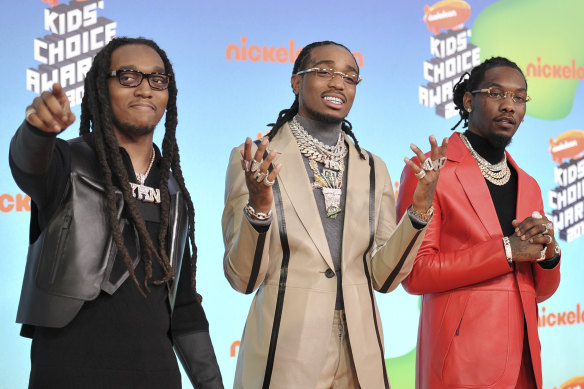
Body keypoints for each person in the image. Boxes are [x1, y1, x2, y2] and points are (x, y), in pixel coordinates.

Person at [222, 40, 448, 388]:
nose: (338, 83)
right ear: (296, 81)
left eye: (350, 76)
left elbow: (384, 279)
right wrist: (259, 208)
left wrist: (419, 210)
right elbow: (243, 278)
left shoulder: (373, 167)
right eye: (324, 71)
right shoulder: (256, 158)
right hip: (286, 342)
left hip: (361, 347)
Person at [10, 37, 223, 389]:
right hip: (67, 375)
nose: (144, 89)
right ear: (100, 87)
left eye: (157, 79)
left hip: (158, 376)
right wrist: (36, 132)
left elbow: (183, 306)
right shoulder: (67, 162)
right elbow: (28, 165)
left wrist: (211, 384)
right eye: (128, 77)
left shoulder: (173, 189)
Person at [396, 57, 561, 389]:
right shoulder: (430, 169)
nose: (509, 106)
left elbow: (540, 292)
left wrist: (550, 255)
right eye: (496, 93)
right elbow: (415, 273)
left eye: (519, 97)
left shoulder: (528, 184)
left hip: (525, 364)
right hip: (461, 364)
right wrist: (506, 250)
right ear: (469, 100)